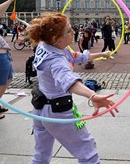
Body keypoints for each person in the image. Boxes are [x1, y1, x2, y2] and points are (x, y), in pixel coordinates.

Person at [25, 12, 118, 163]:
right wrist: (92, 95)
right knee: (88, 152)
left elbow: (76, 56)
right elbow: (69, 81)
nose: (74, 32)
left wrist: (103, 54)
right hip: (57, 112)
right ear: (57, 39)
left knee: (41, 155)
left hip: (40, 110)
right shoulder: (57, 60)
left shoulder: (46, 45)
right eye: (69, 30)